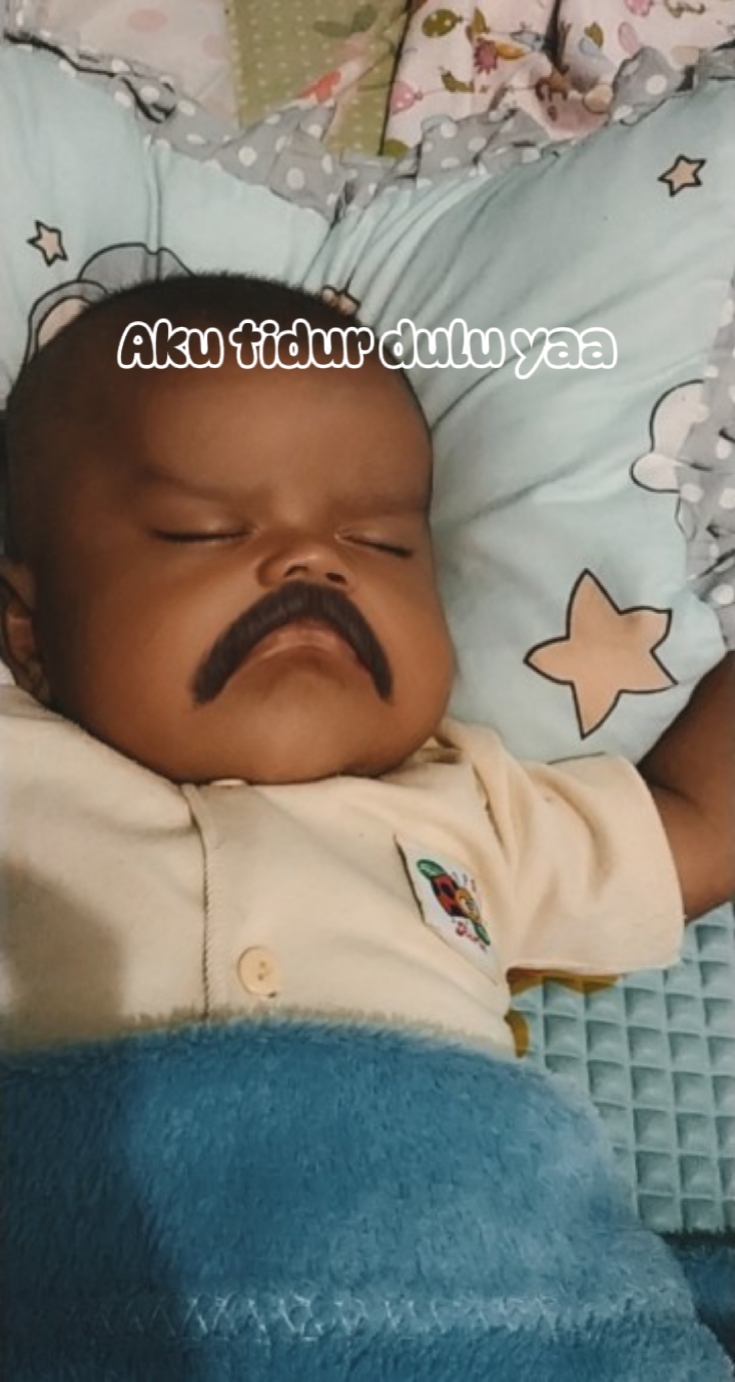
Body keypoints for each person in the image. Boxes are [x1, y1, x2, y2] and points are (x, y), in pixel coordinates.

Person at [0, 272, 732, 1053]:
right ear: (30, 634)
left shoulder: (480, 813)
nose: (314, 560)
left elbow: (702, 825)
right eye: (203, 531)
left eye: (379, 544)